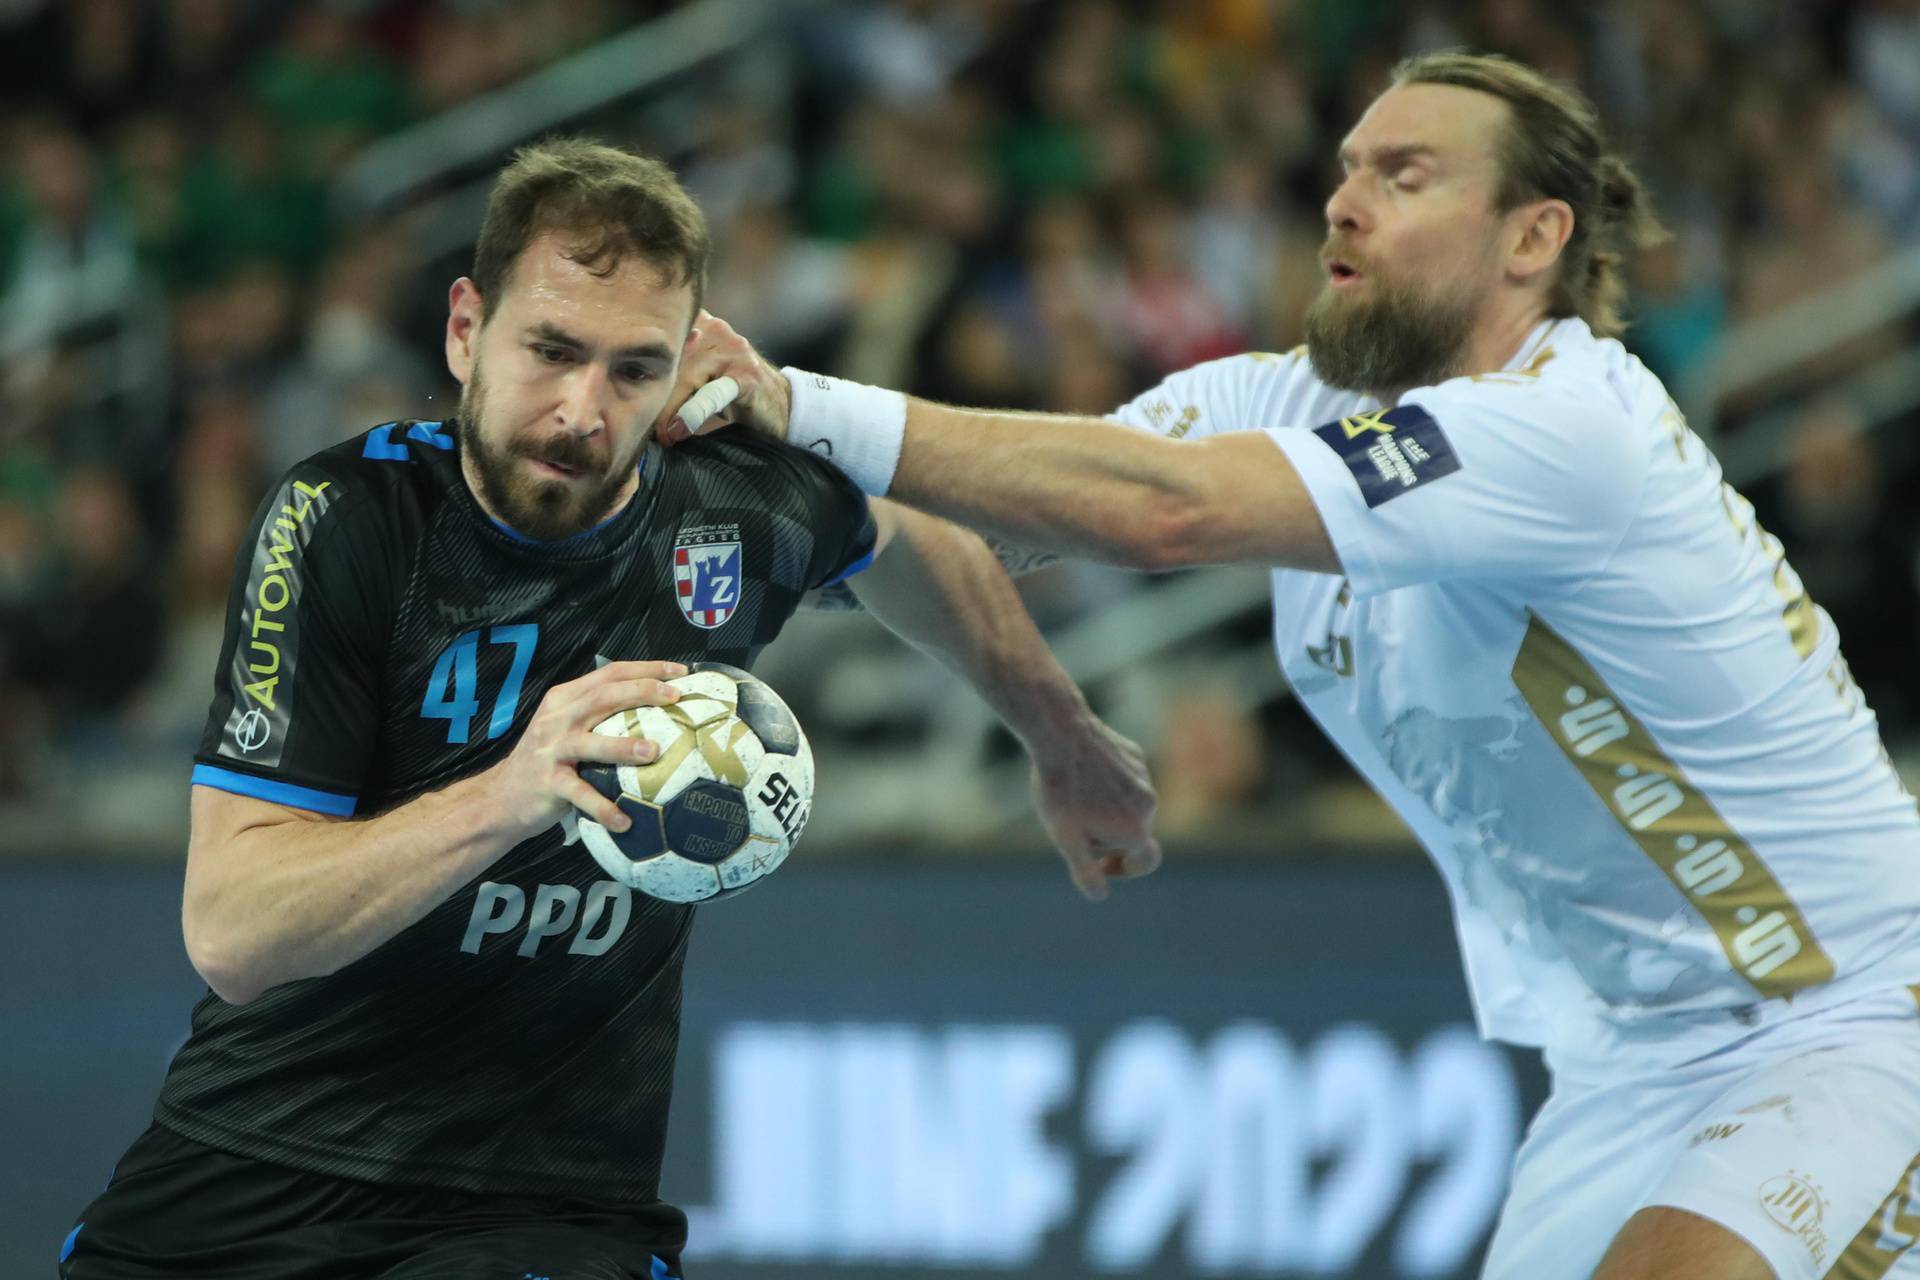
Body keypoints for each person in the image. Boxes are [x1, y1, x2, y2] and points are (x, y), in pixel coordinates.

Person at [661, 51, 1920, 1280]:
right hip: (1627, 1060)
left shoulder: (1571, 426)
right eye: (1346, 166)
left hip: (1848, 1013)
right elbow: (984, 512)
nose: (1344, 198)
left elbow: (1162, 511)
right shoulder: (1288, 400)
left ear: (1532, 239)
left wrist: (802, 401)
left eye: (1407, 173)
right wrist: (710, 499)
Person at [59, 138, 1158, 1280]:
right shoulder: (350, 518)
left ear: (686, 364)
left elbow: (904, 535)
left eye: (634, 368)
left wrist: (1060, 735)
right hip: (245, 1170)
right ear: (464, 330)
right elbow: (234, 930)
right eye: (551, 349)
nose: (583, 408)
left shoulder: (730, 502)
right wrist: (512, 793)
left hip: (540, 1199)